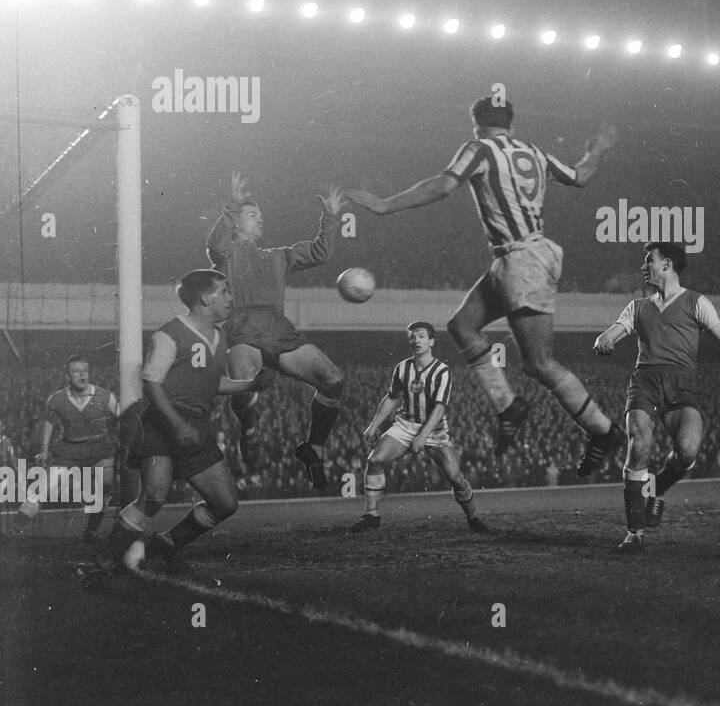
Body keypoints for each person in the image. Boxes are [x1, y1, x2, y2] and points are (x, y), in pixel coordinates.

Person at [343, 96, 626, 474]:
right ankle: (508, 406)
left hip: (523, 260)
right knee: (462, 325)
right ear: (511, 123)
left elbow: (444, 185)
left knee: (539, 363)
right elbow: (580, 176)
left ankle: (603, 431)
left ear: (476, 125)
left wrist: (384, 205)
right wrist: (597, 150)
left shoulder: (480, 149)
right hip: (514, 259)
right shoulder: (534, 152)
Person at [82, 270, 271, 583]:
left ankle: (167, 544)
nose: (230, 298)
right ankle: (105, 562)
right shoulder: (170, 334)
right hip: (162, 424)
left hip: (196, 426)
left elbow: (211, 383)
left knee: (225, 504)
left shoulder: (219, 337)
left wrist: (250, 384)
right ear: (206, 298)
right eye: (224, 291)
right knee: (153, 496)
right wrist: (178, 425)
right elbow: (152, 385)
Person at [594, 242, 720, 554]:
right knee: (639, 447)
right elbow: (608, 334)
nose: (643, 267)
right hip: (645, 383)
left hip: (682, 385)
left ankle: (657, 490)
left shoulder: (696, 302)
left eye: (648, 260)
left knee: (687, 452)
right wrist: (603, 341)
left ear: (666, 264)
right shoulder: (637, 307)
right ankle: (635, 532)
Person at [206, 171, 345, 491]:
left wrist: (330, 216)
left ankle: (314, 447)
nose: (260, 219)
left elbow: (321, 253)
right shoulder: (226, 255)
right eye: (252, 215)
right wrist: (233, 204)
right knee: (245, 383)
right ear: (236, 223)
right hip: (244, 329)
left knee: (334, 381)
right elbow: (215, 243)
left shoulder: (279, 255)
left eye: (261, 215)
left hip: (280, 331)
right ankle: (249, 429)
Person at [350, 321, 488, 534]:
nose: (416, 340)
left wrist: (423, 436)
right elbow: (392, 397)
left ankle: (473, 517)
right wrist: (373, 425)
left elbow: (440, 408)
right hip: (405, 425)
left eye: (421, 336)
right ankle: (372, 515)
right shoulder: (402, 368)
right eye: (413, 337)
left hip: (434, 430)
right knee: (374, 460)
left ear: (431, 341)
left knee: (456, 477)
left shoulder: (442, 371)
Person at [10, 356, 119, 542]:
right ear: (67, 376)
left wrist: (121, 442)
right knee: (44, 488)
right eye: (76, 371)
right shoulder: (56, 399)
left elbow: (124, 417)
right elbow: (48, 422)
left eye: (84, 370)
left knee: (105, 486)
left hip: (100, 450)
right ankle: (12, 530)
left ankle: (91, 531)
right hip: (70, 451)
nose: (81, 374)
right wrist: (44, 449)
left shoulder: (105, 396)